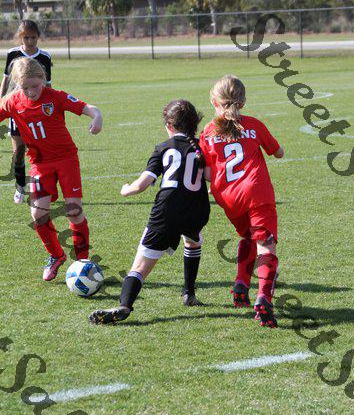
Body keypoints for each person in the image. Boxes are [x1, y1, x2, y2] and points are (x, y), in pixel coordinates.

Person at [89, 99, 210, 325]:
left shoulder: (164, 147)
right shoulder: (202, 147)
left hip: (166, 212)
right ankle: (189, 293)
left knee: (140, 267)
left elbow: (142, 184)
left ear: (169, 125)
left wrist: (126, 189)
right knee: (193, 241)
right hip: (196, 211)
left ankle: (125, 305)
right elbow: (211, 176)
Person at [0, 57, 103, 281]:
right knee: (38, 214)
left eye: (35, 86)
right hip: (39, 163)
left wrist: (97, 117)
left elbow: (88, 108)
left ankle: (82, 262)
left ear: (43, 79)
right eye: (24, 87)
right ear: (17, 85)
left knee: (74, 211)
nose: (30, 92)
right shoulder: (13, 101)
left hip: (66, 160)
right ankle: (56, 255)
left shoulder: (56, 96)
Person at [199, 75, 284, 328]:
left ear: (214, 101)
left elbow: (206, 173)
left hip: (227, 197)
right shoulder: (253, 125)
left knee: (247, 237)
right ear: (243, 103)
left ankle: (240, 286)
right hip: (257, 192)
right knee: (265, 246)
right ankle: (264, 299)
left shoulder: (208, 131)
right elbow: (279, 153)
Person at [0, 20, 52, 204]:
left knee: (40, 151)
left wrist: (50, 109)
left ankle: (42, 186)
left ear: (38, 36)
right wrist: (2, 100)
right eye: (26, 38)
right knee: (19, 152)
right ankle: (20, 186)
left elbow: (48, 85)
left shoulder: (44, 57)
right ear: (20, 37)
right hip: (17, 110)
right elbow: (6, 80)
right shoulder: (13, 54)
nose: (30, 41)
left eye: (33, 37)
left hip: (37, 112)